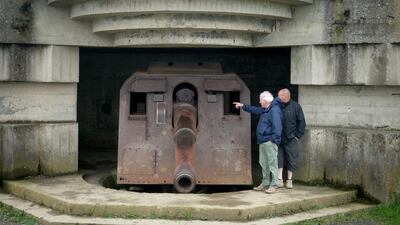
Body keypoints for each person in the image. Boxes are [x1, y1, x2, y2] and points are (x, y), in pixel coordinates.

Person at [233, 91, 282, 194]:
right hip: (263, 141)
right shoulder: (266, 109)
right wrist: (243, 106)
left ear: (265, 100)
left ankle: (273, 185)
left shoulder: (274, 110)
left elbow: (277, 127)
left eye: (260, 100)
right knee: (264, 163)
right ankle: (265, 183)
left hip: (269, 141)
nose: (259, 102)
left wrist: (274, 140)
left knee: (272, 163)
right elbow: (255, 110)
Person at [276, 88, 306, 189]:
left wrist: (297, 136)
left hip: (291, 138)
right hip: (278, 138)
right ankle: (279, 180)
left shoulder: (296, 106)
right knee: (278, 158)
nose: (277, 98)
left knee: (292, 159)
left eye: (279, 96)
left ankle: (289, 180)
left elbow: (302, 122)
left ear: (286, 96)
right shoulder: (276, 105)